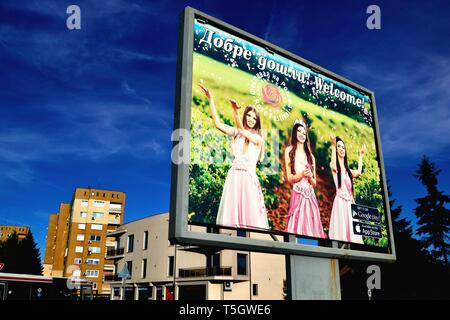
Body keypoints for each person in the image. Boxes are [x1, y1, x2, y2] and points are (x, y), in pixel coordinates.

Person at [198, 84, 269, 230]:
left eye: (254, 118)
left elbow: (243, 131)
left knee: (251, 220)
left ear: (257, 121)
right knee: (232, 218)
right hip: (235, 177)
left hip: (248, 179)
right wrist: (211, 99)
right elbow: (218, 124)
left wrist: (235, 112)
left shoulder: (258, 139)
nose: (250, 119)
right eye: (248, 115)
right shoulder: (236, 132)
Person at [284, 119, 326, 238]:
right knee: (296, 229)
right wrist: (302, 174)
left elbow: (314, 183)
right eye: (299, 131)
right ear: (294, 133)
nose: (302, 135)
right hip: (298, 194)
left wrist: (310, 176)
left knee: (312, 230)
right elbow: (289, 178)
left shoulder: (310, 157)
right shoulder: (289, 151)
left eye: (304, 133)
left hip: (310, 197)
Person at [328, 134, 366, 243]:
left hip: (350, 204)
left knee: (353, 234)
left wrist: (361, 155)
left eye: (343, 147)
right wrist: (333, 145)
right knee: (342, 234)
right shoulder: (334, 166)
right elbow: (334, 166)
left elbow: (358, 172)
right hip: (340, 203)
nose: (341, 149)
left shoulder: (348, 171)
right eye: (339, 147)